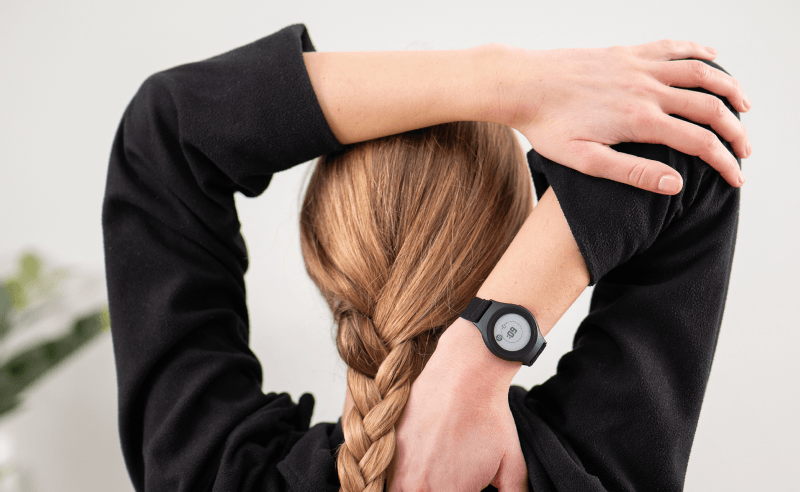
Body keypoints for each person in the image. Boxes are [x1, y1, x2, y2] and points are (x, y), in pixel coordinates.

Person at [101, 23, 749, 492]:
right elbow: (698, 125)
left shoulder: (215, 475)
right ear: (512, 240)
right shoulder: (585, 469)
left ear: (322, 252)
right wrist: (478, 357)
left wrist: (509, 82)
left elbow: (169, 130)